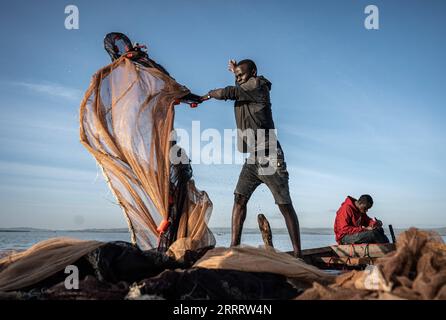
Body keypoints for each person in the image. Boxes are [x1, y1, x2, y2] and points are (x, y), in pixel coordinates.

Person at [203, 59, 302, 257]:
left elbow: (228, 92)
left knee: (284, 204)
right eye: (236, 76)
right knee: (239, 198)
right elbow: (239, 85)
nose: (238, 79)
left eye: (241, 75)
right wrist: (235, 71)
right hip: (253, 157)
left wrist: (206, 95)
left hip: (270, 154)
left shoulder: (258, 86)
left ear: (254, 72)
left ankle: (299, 255)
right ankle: (234, 248)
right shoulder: (246, 86)